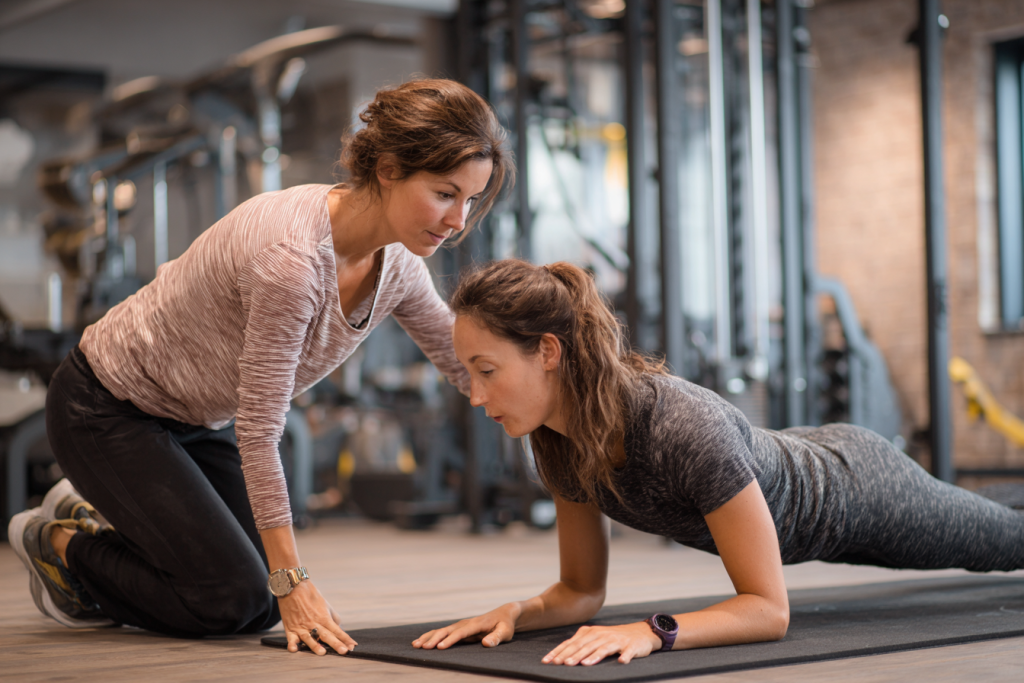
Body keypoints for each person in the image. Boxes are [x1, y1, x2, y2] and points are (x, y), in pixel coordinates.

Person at [9, 78, 512, 656]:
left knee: (258, 601)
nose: (458, 221)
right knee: (232, 597)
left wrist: (558, 410)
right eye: (446, 193)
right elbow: (260, 431)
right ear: (390, 168)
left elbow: (460, 361)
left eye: (471, 200)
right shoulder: (292, 262)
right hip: (106, 408)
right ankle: (63, 543)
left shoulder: (396, 262)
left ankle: (104, 516)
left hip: (196, 421)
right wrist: (293, 581)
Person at [413, 259, 1024, 666]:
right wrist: (517, 613)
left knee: (1008, 540)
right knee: (996, 508)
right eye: (469, 374)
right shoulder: (557, 442)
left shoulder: (680, 426)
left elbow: (767, 609)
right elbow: (580, 590)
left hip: (861, 491)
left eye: (486, 371)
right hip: (806, 470)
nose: (474, 395)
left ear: (548, 351)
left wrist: (652, 631)